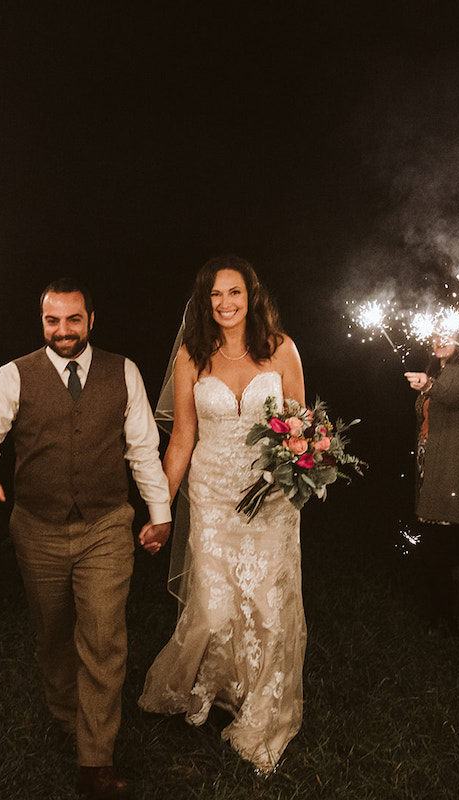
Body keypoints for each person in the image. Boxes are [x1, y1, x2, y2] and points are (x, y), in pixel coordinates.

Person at [0, 278, 171, 800]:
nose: (63, 330)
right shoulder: (14, 374)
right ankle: (67, 719)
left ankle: (94, 762)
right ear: (42, 322)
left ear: (91, 320)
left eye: (73, 319)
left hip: (105, 526)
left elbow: (143, 448)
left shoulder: (124, 371)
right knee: (53, 637)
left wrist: (160, 512)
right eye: (53, 321)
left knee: (103, 637)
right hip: (37, 527)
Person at [138, 255, 306, 774]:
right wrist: (159, 510)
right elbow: (182, 439)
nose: (225, 303)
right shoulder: (192, 355)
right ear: (204, 302)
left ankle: (261, 710)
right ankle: (211, 685)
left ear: (251, 296)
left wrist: (286, 473)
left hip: (270, 497)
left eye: (234, 293)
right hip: (209, 494)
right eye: (215, 295)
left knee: (266, 608)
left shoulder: (281, 349)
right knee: (212, 607)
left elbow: (301, 428)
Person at [404, 336, 459, 635]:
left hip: (457, 470)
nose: (440, 340)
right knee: (453, 543)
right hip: (434, 467)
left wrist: (429, 385)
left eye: (449, 334)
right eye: (435, 334)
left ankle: (454, 618)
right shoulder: (437, 371)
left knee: (448, 543)